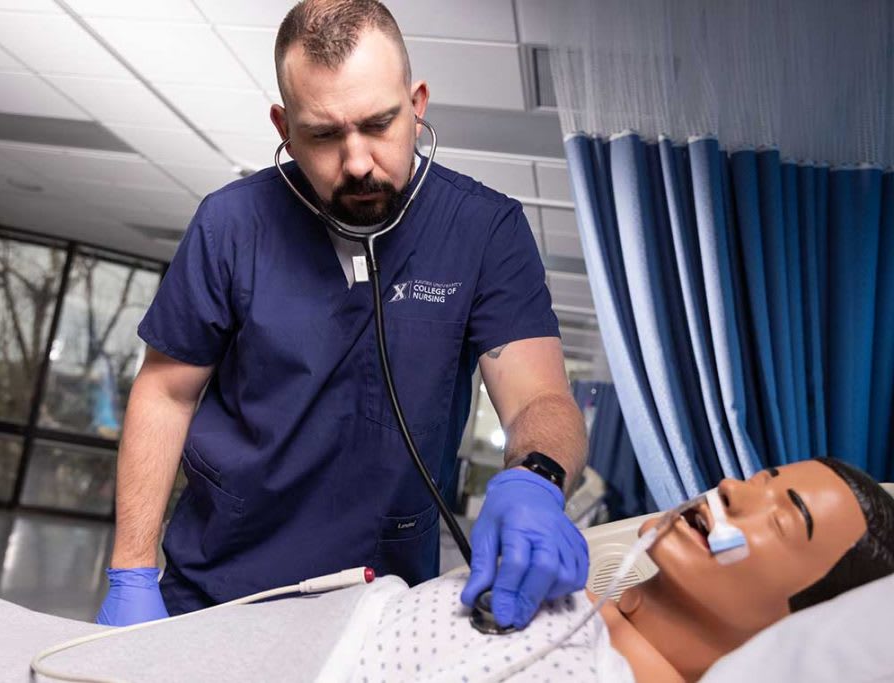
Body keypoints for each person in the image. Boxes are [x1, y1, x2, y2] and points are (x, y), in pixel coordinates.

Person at [95, 0, 589, 628]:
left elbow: (537, 398)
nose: (356, 162)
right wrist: (132, 572)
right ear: (284, 127)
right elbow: (166, 393)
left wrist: (538, 480)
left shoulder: (484, 231)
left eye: (379, 124)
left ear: (417, 103)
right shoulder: (231, 225)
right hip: (219, 579)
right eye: (325, 135)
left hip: (382, 593)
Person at [355, 457, 894, 682]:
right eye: (759, 477)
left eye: (782, 519)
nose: (730, 488)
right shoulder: (563, 586)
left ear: (800, 621)